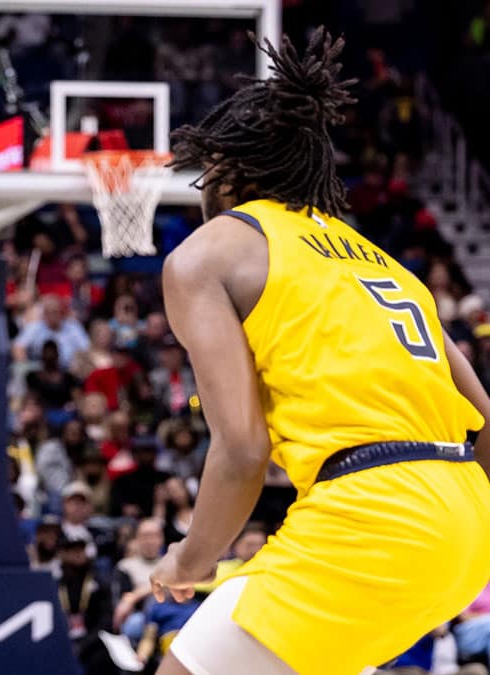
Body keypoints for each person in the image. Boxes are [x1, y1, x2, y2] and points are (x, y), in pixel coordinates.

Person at [148, 30, 490, 675]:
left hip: (371, 515)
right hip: (466, 525)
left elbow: (243, 451)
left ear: (225, 165)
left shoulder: (212, 251)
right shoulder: (382, 263)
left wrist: (190, 560)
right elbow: (485, 420)